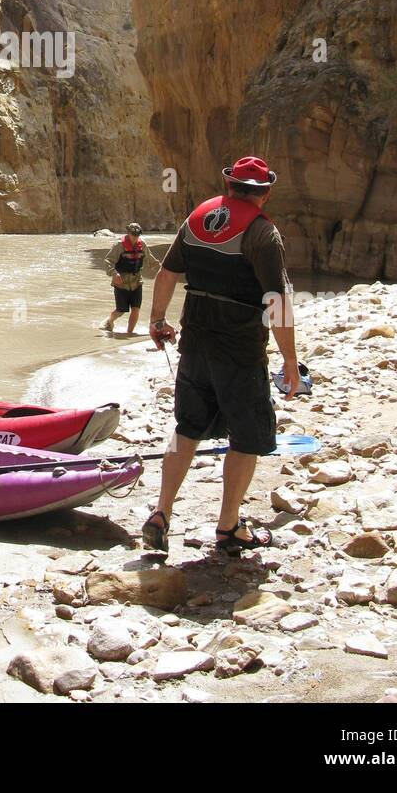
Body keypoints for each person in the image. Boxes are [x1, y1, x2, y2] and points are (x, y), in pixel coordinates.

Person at [142, 156, 299, 556]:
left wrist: (157, 320)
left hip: (195, 341)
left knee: (188, 426)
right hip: (240, 350)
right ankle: (229, 526)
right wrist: (290, 362)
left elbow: (166, 274)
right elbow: (276, 302)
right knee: (246, 437)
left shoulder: (197, 218)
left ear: (229, 185)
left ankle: (161, 513)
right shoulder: (264, 234)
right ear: (264, 193)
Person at [101, 222, 162, 334]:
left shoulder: (142, 245)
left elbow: (151, 260)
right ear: (128, 233)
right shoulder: (119, 245)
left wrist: (162, 269)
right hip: (121, 283)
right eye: (133, 234)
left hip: (137, 282)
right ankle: (109, 321)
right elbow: (108, 261)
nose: (135, 237)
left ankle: (129, 333)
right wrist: (114, 273)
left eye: (137, 235)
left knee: (136, 308)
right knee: (121, 310)